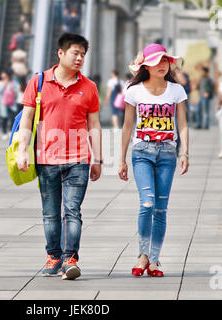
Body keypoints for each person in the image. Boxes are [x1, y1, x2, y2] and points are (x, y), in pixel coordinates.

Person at [17, 33, 102, 280]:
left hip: (78, 159)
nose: (79, 58)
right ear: (61, 53)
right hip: (46, 159)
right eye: (75, 53)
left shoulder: (89, 87)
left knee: (72, 210)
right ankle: (53, 256)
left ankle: (70, 259)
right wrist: (23, 151)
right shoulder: (39, 81)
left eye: (83, 55)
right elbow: (27, 119)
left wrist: (97, 158)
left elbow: (94, 124)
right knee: (51, 213)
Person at [119, 43, 189, 278]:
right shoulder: (134, 91)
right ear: (145, 66)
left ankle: (154, 260)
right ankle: (142, 255)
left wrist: (185, 153)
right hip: (142, 153)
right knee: (146, 203)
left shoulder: (177, 90)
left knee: (160, 209)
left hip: (168, 154)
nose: (162, 64)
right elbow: (127, 126)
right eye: (157, 60)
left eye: (165, 60)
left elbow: (183, 124)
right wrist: (121, 160)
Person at [0, 69, 18, 141]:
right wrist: (4, 85)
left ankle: (10, 130)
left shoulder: (13, 83)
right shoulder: (0, 83)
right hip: (3, 103)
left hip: (12, 103)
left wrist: (13, 90)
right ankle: (4, 132)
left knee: (12, 117)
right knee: (4, 118)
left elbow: (16, 92)